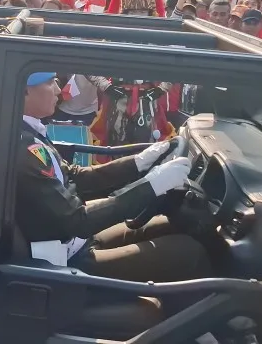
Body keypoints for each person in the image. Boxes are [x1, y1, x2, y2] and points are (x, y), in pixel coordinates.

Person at [16, 72, 213, 282]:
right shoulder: (23, 147)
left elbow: (74, 176)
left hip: (73, 242)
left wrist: (137, 162)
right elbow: (78, 221)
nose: (57, 89)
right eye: (49, 83)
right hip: (62, 261)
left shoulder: (28, 131)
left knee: (170, 224)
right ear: (25, 91)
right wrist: (151, 185)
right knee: (190, 253)